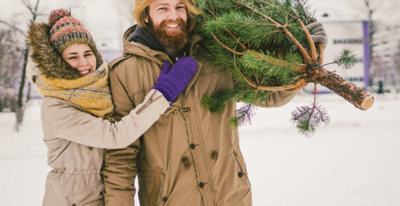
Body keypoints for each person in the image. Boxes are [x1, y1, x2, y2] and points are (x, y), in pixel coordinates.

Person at [103, 0, 327, 205]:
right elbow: (121, 155)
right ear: (146, 15)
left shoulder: (216, 55)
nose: (174, 15)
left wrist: (308, 54)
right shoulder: (124, 73)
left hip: (231, 196)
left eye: (180, 7)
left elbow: (271, 93)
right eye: (163, 8)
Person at [26, 8, 197, 206]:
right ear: (57, 62)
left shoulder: (100, 88)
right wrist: (164, 92)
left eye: (88, 53)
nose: (84, 63)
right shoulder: (56, 107)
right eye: (73, 56)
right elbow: (115, 135)